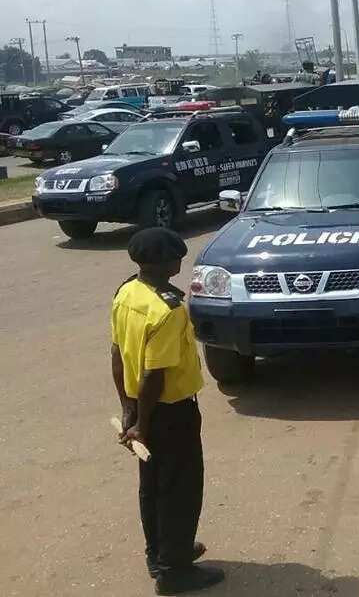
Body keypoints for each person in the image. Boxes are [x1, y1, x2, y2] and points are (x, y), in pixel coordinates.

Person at [111, 228, 224, 595]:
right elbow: (153, 375)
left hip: (143, 409)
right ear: (168, 263)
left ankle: (160, 552)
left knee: (153, 487)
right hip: (171, 412)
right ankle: (174, 572)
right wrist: (143, 425)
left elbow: (117, 354)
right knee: (180, 489)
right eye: (178, 257)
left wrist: (128, 412)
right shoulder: (168, 310)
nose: (181, 262)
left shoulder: (127, 292)